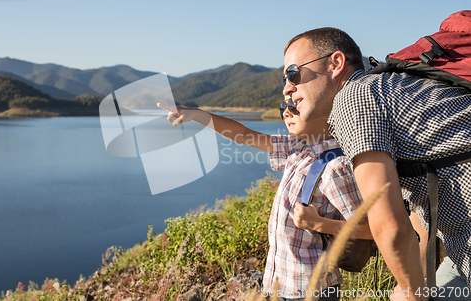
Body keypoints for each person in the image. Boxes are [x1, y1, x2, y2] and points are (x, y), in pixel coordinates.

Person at [282, 27, 471, 301]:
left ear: (336, 63)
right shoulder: (393, 87)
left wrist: (413, 293)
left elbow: (390, 227)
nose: (288, 87)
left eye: (293, 73)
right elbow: (423, 192)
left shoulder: (353, 99)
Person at [157, 99, 371, 301]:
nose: (286, 112)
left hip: (312, 289)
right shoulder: (297, 149)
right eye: (283, 107)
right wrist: (197, 115)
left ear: (327, 112)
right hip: (280, 283)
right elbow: (243, 134)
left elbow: (371, 229)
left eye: (294, 106)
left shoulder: (335, 167)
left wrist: (319, 224)